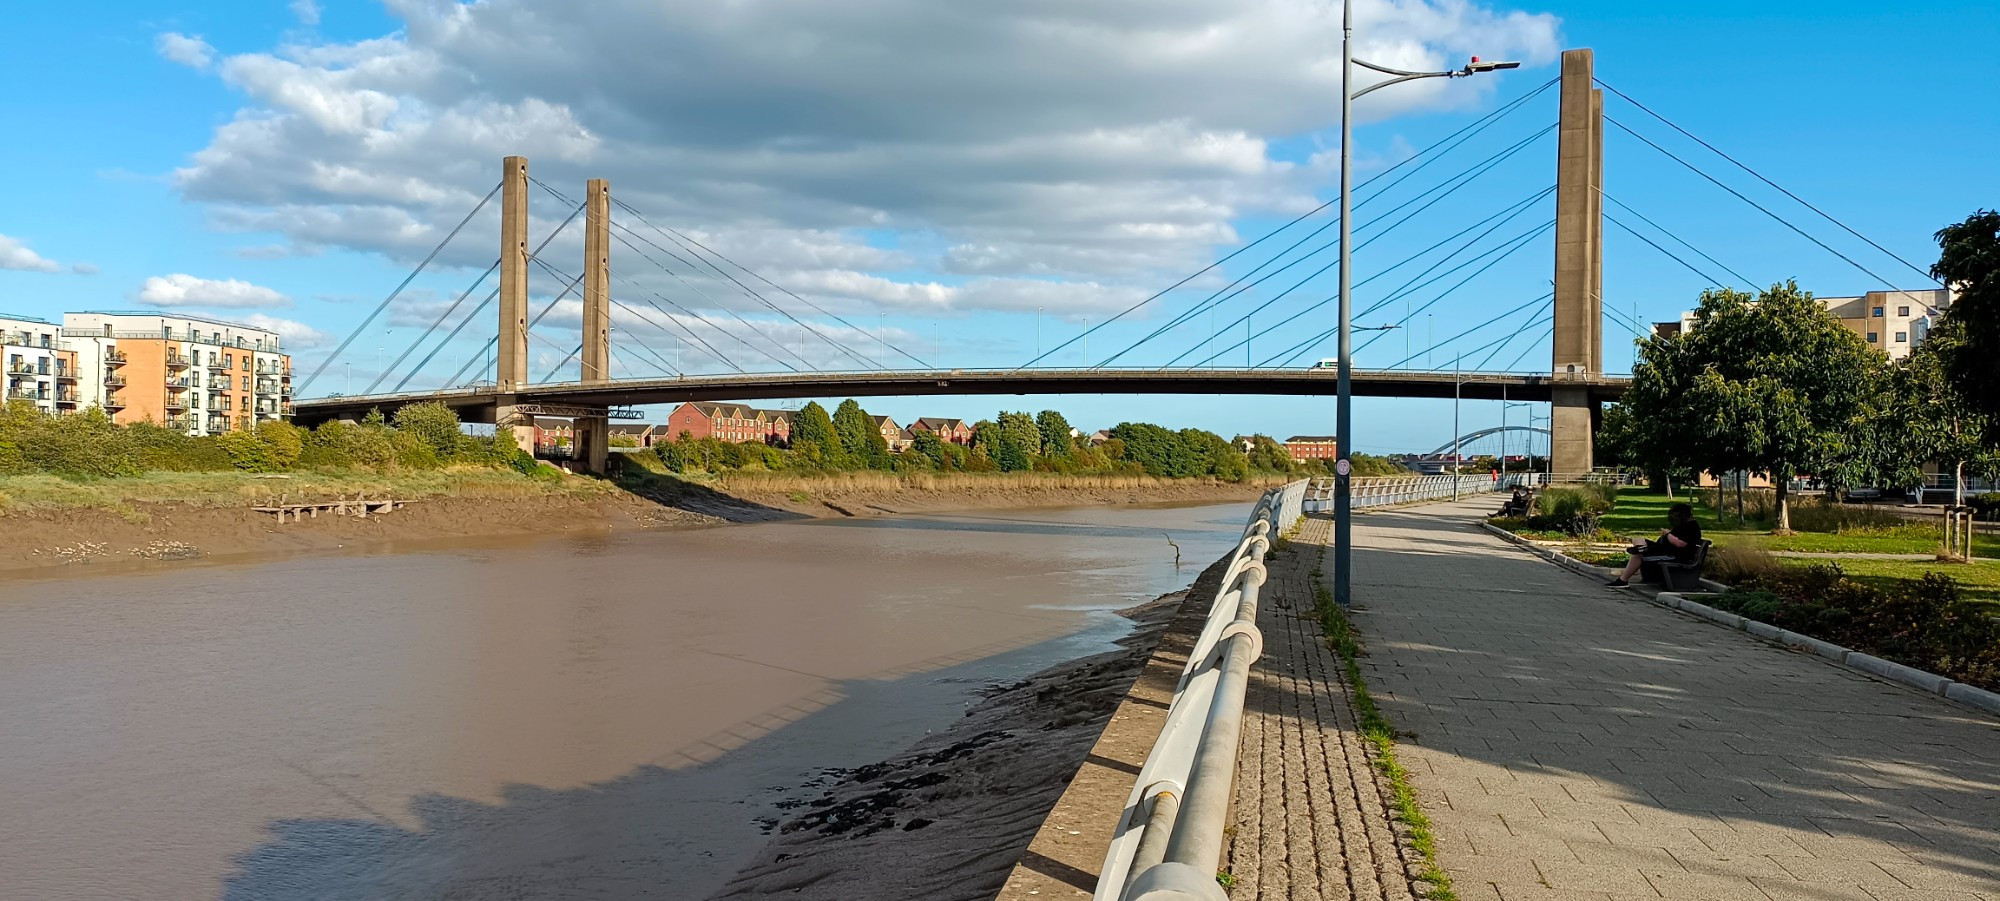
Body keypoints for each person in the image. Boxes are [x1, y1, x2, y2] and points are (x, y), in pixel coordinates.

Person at [1607, 502, 1702, 588]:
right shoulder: (1684, 525)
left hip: (1673, 555)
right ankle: (1641, 548)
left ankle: (1622, 580)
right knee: (1638, 539)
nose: (1674, 519)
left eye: (1676, 516)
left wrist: (1667, 534)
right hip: (1664, 549)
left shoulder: (1691, 527)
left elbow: (1680, 544)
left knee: (1638, 556)